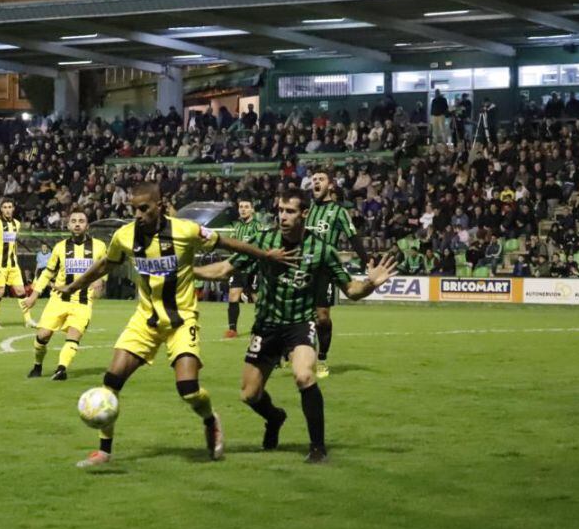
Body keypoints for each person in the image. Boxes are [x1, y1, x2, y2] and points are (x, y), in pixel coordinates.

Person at [54, 182, 295, 468]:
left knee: (189, 390)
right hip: (145, 320)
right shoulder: (124, 236)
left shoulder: (184, 231)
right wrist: (74, 286)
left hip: (182, 320)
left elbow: (226, 243)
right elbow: (106, 264)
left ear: (160, 204)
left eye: (144, 208)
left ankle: (210, 420)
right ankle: (104, 451)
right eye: (134, 209)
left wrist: (265, 255)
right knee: (111, 383)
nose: (139, 215)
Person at [194, 189, 397, 463]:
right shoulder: (264, 240)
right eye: (280, 210)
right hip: (266, 325)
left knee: (304, 376)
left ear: (304, 214)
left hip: (300, 324)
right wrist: (188, 272)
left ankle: (317, 447)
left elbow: (351, 290)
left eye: (290, 211)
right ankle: (275, 417)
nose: (283, 216)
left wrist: (371, 283)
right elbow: (223, 270)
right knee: (249, 395)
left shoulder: (322, 250)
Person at [21, 207, 107, 381]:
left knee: (74, 334)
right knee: (43, 335)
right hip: (58, 300)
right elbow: (47, 273)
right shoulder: (60, 248)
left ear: (87, 226)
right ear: (68, 225)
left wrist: (101, 280)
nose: (77, 224)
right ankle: (38, 366)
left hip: (83, 301)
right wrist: (34, 295)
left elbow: (105, 268)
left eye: (81, 221)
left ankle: (61, 369)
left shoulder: (99, 246)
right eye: (74, 221)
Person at [306, 169, 369, 378]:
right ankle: (298, 355)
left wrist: (367, 261)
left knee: (322, 318)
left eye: (321, 179)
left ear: (330, 185)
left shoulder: (338, 211)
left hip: (325, 268)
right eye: (314, 179)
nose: (316, 182)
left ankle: (322, 358)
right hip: (303, 266)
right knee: (299, 315)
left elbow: (353, 237)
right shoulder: (308, 210)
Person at [0, 197, 36, 330]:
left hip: (12, 264)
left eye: (9, 207)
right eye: (4, 207)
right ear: (1, 209)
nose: (7, 210)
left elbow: (13, 244)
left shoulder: (17, 224)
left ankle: (28, 320)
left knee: (21, 290)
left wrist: (15, 258)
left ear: (13, 209)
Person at [225, 197, 262, 339]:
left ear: (252, 209)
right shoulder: (237, 226)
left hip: (253, 267)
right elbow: (232, 244)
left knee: (256, 297)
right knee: (233, 295)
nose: (243, 209)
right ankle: (232, 329)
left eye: (246, 206)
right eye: (241, 207)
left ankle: (261, 326)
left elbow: (260, 245)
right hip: (238, 267)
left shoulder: (257, 226)